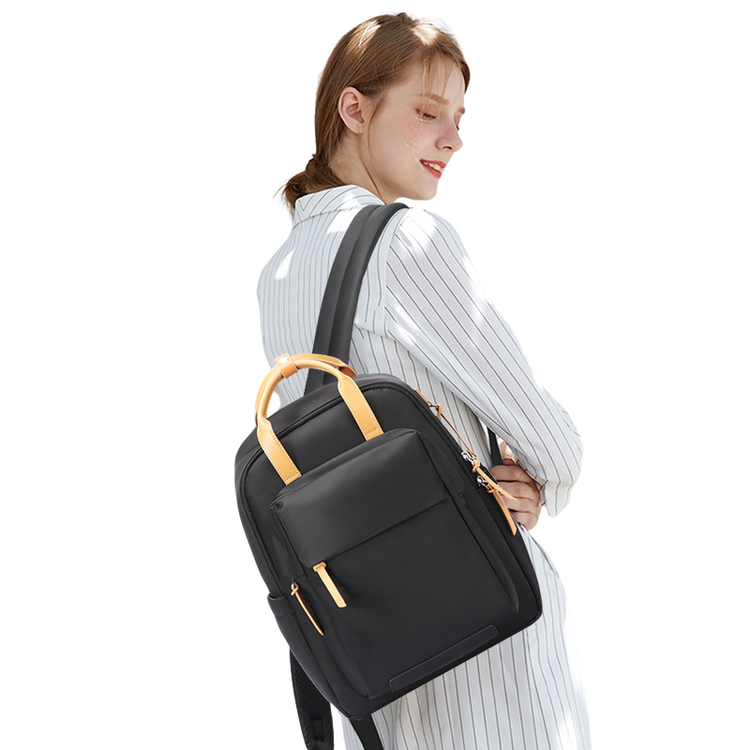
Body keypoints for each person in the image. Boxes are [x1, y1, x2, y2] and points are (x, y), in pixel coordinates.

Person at [257, 12, 591, 750]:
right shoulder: (408, 239)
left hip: (377, 649)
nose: (453, 139)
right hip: (489, 646)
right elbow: (557, 448)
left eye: (459, 118)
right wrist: (528, 482)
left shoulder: (278, 274)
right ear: (354, 109)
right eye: (429, 112)